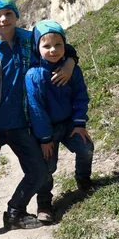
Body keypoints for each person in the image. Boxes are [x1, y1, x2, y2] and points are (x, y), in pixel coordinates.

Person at [0, 0, 78, 239]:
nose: (3, 19)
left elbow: (59, 46)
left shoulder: (29, 40)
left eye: (8, 13)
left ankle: (15, 212)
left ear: (16, 15)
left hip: (21, 124)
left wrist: (70, 61)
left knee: (39, 170)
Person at [25, 20, 93, 224]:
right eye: (46, 46)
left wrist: (79, 123)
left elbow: (81, 95)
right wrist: (45, 138)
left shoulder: (71, 70)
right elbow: (37, 110)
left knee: (86, 148)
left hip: (70, 124)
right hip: (47, 131)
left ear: (65, 46)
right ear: (37, 48)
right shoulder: (34, 75)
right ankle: (44, 203)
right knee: (47, 167)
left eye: (58, 45)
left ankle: (84, 180)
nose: (53, 50)